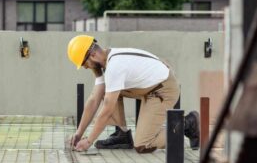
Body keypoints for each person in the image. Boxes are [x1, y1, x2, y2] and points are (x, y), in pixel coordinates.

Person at [67, 35, 199, 153]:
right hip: (150, 88)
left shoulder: (114, 67)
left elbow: (107, 109)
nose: (85, 67)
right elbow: (93, 100)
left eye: (84, 64)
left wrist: (89, 141)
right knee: (106, 90)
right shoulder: (107, 61)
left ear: (93, 55)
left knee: (143, 144)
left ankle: (188, 123)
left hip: (163, 90)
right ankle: (122, 136)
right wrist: (79, 133)